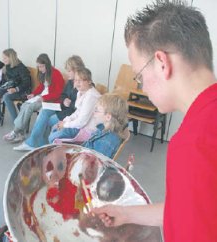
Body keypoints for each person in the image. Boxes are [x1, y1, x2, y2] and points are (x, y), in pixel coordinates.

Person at [92, 1, 217, 242]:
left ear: (162, 63)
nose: (142, 87)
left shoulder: (194, 143)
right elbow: (191, 212)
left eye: (139, 76)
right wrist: (125, 213)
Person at [13, 55, 84, 149]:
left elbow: (78, 108)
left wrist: (66, 102)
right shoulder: (71, 82)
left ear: (77, 69)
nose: (67, 73)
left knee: (44, 119)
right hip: (62, 108)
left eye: (69, 71)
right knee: (43, 112)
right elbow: (63, 95)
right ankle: (39, 145)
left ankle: (37, 145)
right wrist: (65, 100)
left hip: (68, 113)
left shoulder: (83, 84)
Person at [3, 53, 65, 143]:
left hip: (51, 101)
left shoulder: (56, 74)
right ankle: (19, 132)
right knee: (25, 104)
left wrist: (44, 98)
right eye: (38, 67)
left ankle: (16, 132)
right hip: (42, 98)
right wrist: (33, 94)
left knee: (29, 107)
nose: (39, 69)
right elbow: (41, 86)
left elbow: (58, 93)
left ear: (47, 65)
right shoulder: (44, 73)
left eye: (41, 66)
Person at [48, 67, 101, 144]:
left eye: (81, 80)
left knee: (53, 137)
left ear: (89, 81)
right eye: (75, 80)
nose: (77, 83)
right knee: (55, 128)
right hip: (80, 126)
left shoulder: (91, 96)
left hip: (87, 130)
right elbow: (77, 112)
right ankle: (55, 151)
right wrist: (65, 120)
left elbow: (81, 122)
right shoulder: (81, 92)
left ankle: (56, 152)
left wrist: (65, 125)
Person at [0, 48, 31, 127]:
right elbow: (9, 79)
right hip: (11, 87)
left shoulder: (21, 68)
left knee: (6, 97)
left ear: (11, 57)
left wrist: (15, 89)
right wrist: (6, 85)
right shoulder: (8, 66)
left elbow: (27, 83)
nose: (3, 60)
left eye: (5, 58)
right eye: (3, 58)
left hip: (22, 90)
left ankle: (16, 122)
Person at [83, 93, 128, 159]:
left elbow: (94, 163)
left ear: (108, 117)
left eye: (96, 110)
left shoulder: (106, 142)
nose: (93, 113)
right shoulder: (104, 129)